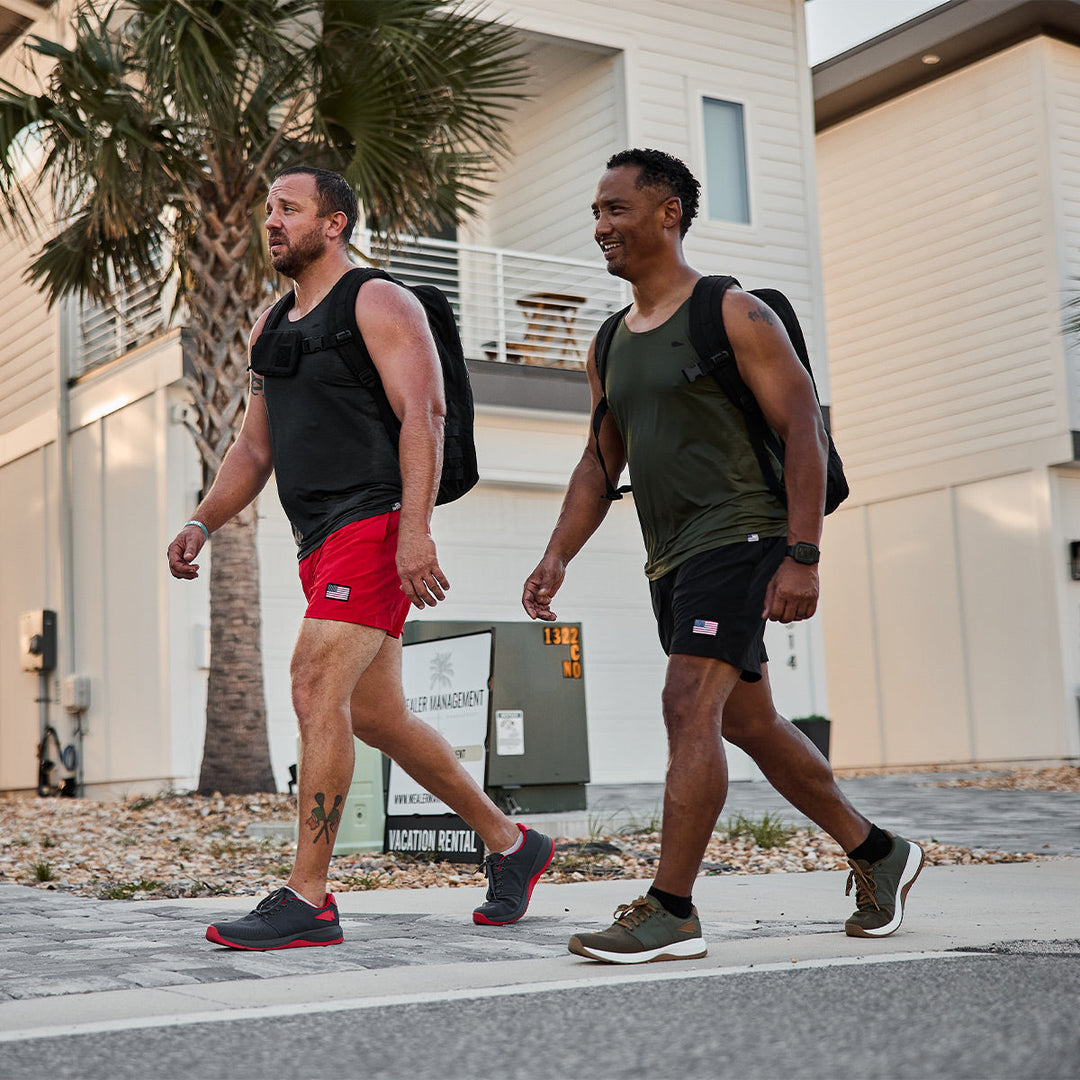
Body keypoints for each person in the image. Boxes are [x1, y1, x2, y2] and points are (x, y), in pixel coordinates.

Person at [522, 148, 923, 964]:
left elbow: (804, 431)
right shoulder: (608, 342)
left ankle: (671, 909)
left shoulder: (733, 313)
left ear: (668, 213)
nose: (602, 227)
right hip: (671, 556)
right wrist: (556, 555)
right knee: (750, 719)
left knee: (685, 704)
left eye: (617, 210)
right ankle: (878, 851)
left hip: (742, 534)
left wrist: (802, 554)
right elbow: (601, 464)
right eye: (596, 213)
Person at [167, 165, 553, 951]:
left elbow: (426, 412)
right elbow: (253, 444)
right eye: (268, 210)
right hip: (318, 539)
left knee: (313, 687)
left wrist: (415, 530)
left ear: (334, 222)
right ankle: (515, 845)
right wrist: (203, 521)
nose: (270, 222)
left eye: (289, 209)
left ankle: (308, 895)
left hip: (373, 523)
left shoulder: (378, 300)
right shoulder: (269, 324)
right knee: (377, 714)